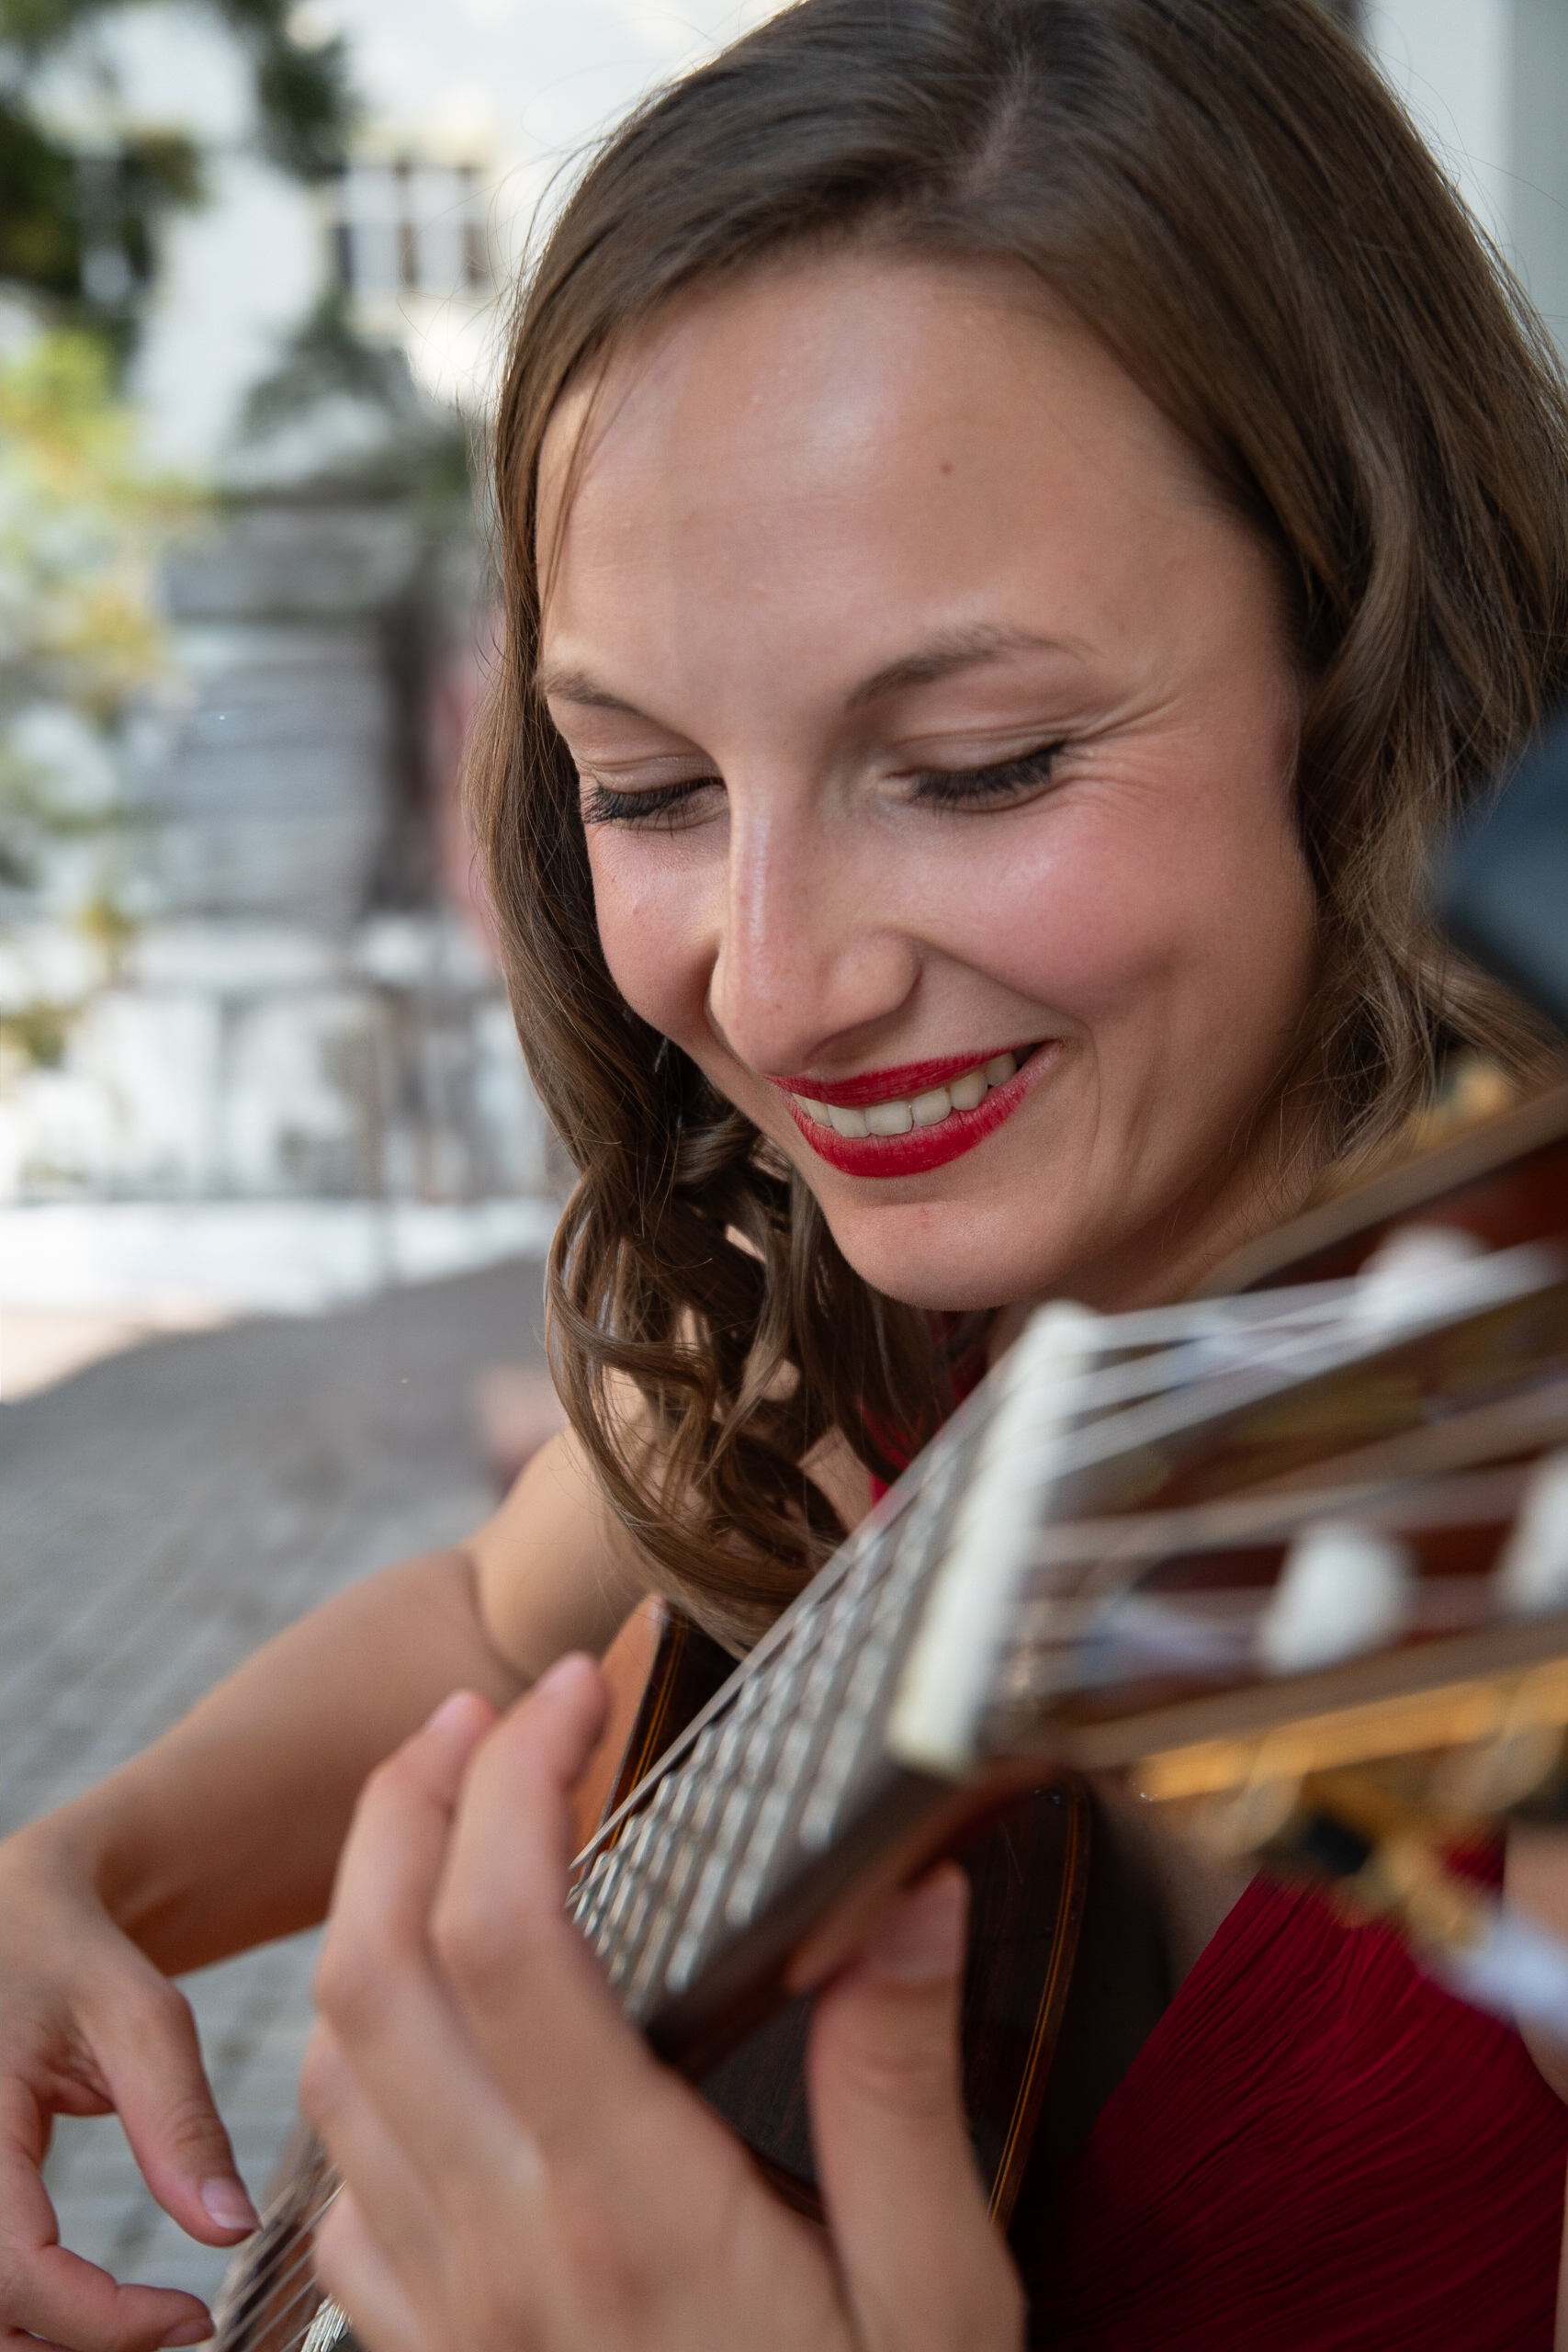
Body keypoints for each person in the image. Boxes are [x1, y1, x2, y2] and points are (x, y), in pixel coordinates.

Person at [5, 0, 1568, 2346]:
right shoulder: (845, 1327)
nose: (771, 983)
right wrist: (75, 1871)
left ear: (1368, 671)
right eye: (643, 788)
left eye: (977, 759)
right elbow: (482, 1629)